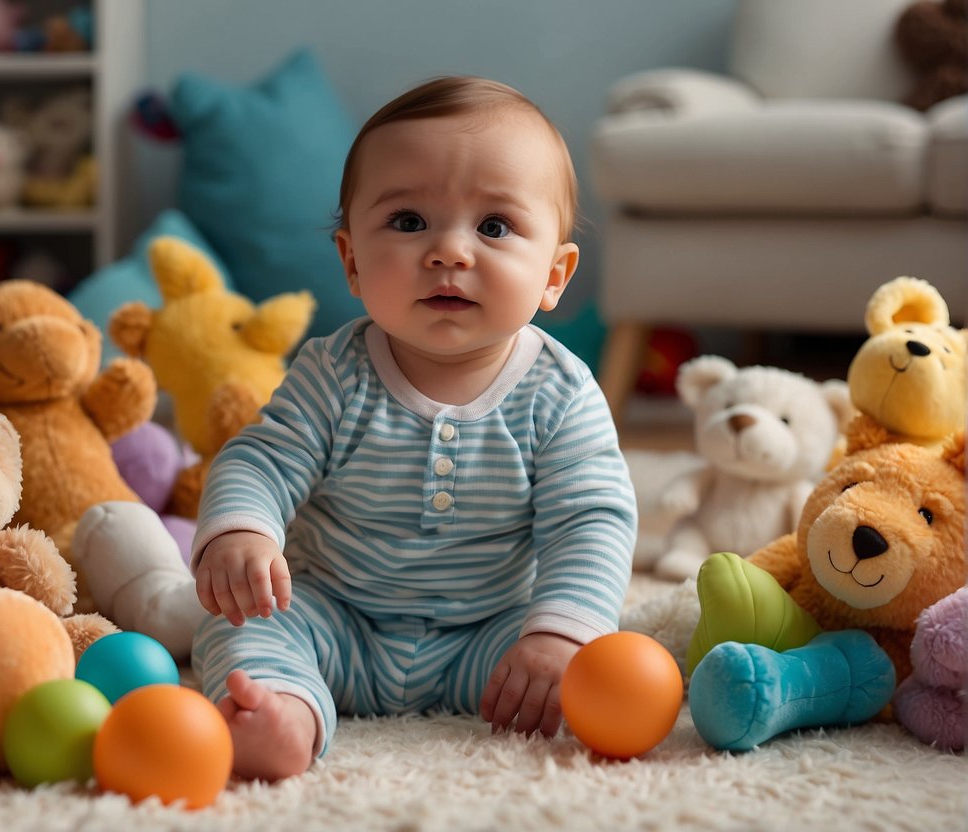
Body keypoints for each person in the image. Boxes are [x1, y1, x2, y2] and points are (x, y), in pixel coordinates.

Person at [187, 75, 637, 782]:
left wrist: (556, 636)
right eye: (407, 222)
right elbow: (261, 461)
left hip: (487, 643)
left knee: (600, 667)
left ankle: (554, 662)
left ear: (553, 275)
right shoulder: (332, 372)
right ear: (351, 262)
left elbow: (591, 521)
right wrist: (243, 531)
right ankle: (283, 714)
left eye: (493, 227)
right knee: (242, 625)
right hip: (336, 619)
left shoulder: (561, 392)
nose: (449, 252)